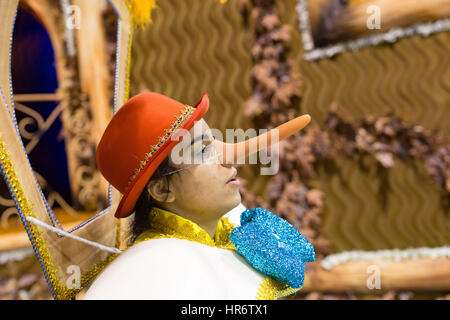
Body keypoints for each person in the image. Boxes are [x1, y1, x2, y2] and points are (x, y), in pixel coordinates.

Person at [83, 92, 313, 299]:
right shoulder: (157, 268)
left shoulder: (228, 228)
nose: (229, 158)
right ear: (163, 190)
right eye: (202, 150)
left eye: (213, 141)